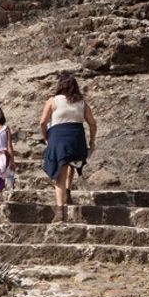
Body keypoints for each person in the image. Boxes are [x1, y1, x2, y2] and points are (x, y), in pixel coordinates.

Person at [40, 72, 96, 222]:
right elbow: (92, 123)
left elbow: (42, 122)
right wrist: (92, 142)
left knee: (60, 174)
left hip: (59, 139)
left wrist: (46, 137)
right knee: (71, 164)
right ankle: (68, 191)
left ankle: (60, 211)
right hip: (77, 140)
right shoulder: (82, 103)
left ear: (60, 85)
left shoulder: (53, 101)